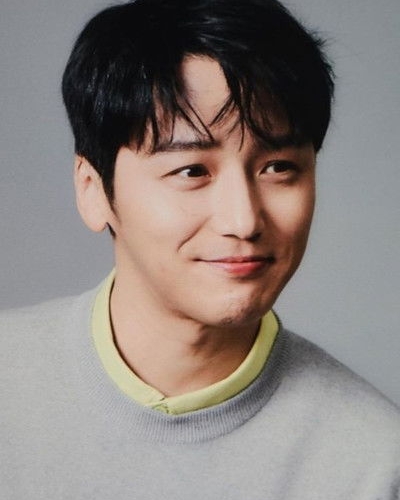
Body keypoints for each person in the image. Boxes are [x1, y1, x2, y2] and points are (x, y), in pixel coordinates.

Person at [1, 0, 399, 498]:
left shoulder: (375, 462)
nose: (243, 221)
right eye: (192, 171)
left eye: (278, 167)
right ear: (92, 189)